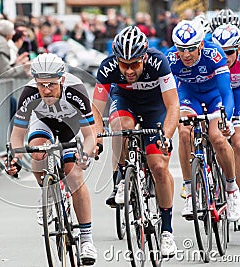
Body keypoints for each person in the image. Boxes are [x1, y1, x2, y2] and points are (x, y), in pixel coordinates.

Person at [92, 26, 179, 257]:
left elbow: (173, 106)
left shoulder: (159, 63)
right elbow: (95, 111)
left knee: (159, 167)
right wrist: (96, 140)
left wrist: (167, 137)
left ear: (144, 58)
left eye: (135, 64)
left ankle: (167, 231)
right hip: (125, 103)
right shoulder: (108, 67)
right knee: (122, 127)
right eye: (124, 64)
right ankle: (122, 175)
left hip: (155, 108)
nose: (129, 70)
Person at [5, 53, 98, 265]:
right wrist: (15, 158)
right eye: (41, 85)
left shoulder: (76, 91)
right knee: (37, 151)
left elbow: (90, 135)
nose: (46, 90)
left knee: (74, 176)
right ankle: (47, 190)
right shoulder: (29, 93)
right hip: (43, 123)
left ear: (62, 80)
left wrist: (85, 154)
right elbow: (18, 136)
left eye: (52, 85)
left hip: (71, 126)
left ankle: (86, 239)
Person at [166, 20, 240, 222]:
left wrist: (225, 119)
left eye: (191, 48)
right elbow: (168, 95)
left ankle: (231, 188)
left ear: (201, 45)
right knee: (184, 133)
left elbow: (227, 92)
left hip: (214, 96)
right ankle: (190, 190)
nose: (186, 54)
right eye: (182, 49)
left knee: (217, 137)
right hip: (188, 95)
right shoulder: (171, 58)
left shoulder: (214, 54)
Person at [212, 24, 240, 230]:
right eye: (221, 52)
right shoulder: (211, 59)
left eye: (230, 52)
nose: (226, 56)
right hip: (218, 95)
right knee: (216, 139)